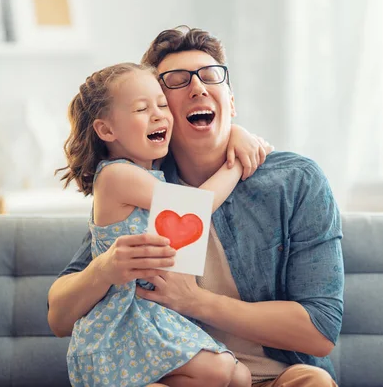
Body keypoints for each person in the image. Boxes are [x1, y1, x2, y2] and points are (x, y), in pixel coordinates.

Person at [48, 26, 344, 387]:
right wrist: (106, 267)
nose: (198, 88)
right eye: (175, 82)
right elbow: (60, 316)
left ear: (231, 103)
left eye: (210, 77)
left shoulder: (295, 181)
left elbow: (320, 331)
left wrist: (194, 301)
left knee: (312, 382)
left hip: (275, 375)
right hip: (180, 376)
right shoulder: (141, 184)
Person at [55, 61, 272, 386]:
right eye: (142, 109)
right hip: (124, 321)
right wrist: (238, 163)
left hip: (157, 315)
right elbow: (195, 206)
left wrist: (233, 132)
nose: (159, 115)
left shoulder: (150, 173)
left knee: (239, 376)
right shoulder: (115, 176)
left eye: (161, 105)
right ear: (106, 130)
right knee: (222, 372)